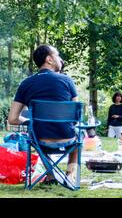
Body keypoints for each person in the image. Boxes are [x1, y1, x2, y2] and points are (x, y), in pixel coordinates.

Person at [7, 44, 79, 183]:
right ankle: (70, 175)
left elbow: (12, 119)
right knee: (79, 136)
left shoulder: (25, 84)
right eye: (57, 55)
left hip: (40, 139)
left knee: (36, 133)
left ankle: (51, 175)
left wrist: (30, 122)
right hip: (66, 137)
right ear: (49, 60)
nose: (60, 59)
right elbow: (76, 115)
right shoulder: (67, 81)